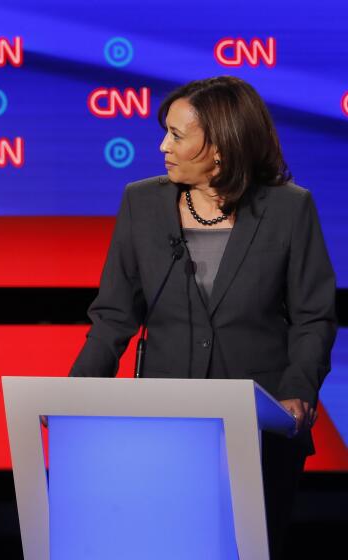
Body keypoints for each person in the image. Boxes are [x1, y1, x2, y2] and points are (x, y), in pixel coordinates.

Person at [70, 76, 336, 558]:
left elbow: (313, 316)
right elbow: (113, 314)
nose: (162, 146)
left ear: (218, 147)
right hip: (166, 426)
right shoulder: (141, 203)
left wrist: (298, 391)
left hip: (262, 425)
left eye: (176, 134)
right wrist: (76, 393)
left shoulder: (289, 209)